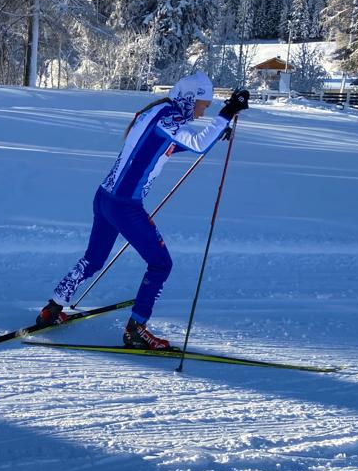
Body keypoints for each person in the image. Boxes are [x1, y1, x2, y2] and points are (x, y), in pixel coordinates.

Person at [36, 72, 250, 349]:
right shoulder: (171, 118)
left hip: (104, 198)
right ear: (190, 98)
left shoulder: (157, 111)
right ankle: (136, 329)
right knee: (161, 264)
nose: (200, 114)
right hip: (125, 206)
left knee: (93, 259)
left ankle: (52, 309)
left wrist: (217, 131)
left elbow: (162, 147)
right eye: (202, 106)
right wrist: (228, 111)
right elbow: (197, 144)